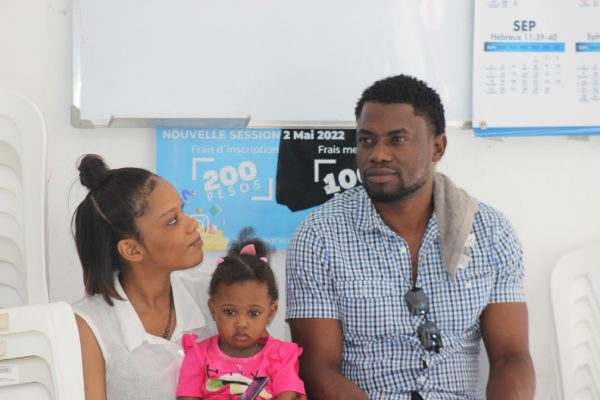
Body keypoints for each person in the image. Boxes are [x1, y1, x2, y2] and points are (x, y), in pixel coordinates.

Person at [286, 75, 535, 399]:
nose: (378, 154)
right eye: (366, 140)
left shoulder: (490, 231)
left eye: (397, 139)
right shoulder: (319, 236)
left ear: (437, 147)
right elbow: (317, 368)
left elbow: (510, 358)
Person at [72, 154, 216, 400]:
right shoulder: (89, 326)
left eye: (183, 211)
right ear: (132, 249)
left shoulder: (214, 298)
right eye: (172, 220)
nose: (192, 224)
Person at [177, 228, 306, 400]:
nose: (241, 323)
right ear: (213, 309)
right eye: (230, 312)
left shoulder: (280, 356)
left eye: (253, 313)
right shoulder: (198, 355)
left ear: (270, 313)